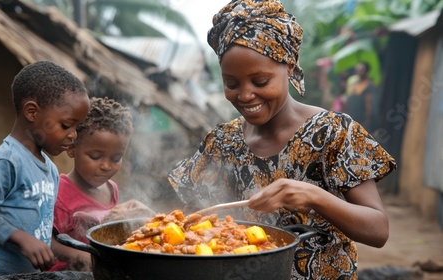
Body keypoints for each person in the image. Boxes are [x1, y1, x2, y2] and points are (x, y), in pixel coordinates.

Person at [167, 1, 397, 279]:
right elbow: (193, 215)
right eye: (231, 83)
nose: (245, 95)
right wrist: (150, 218)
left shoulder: (334, 133)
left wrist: (314, 196)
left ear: (289, 66)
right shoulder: (223, 141)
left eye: (260, 82)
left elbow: (378, 230)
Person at [0, 61, 90, 275]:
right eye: (66, 125)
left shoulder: (50, 170)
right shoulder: (8, 159)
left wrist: (73, 254)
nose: (73, 135)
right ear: (32, 112)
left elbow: (41, 234)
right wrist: (22, 239)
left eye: (76, 128)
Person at [50, 97, 155, 271]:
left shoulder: (111, 189)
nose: (106, 166)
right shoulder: (59, 192)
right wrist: (83, 257)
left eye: (116, 158)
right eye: (95, 157)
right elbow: (48, 242)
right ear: (72, 148)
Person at [344, 62, 376, 131]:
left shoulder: (369, 85)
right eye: (357, 70)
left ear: (366, 71)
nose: (359, 72)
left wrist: (368, 118)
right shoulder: (354, 84)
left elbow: (370, 103)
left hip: (362, 117)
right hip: (351, 114)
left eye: (361, 70)